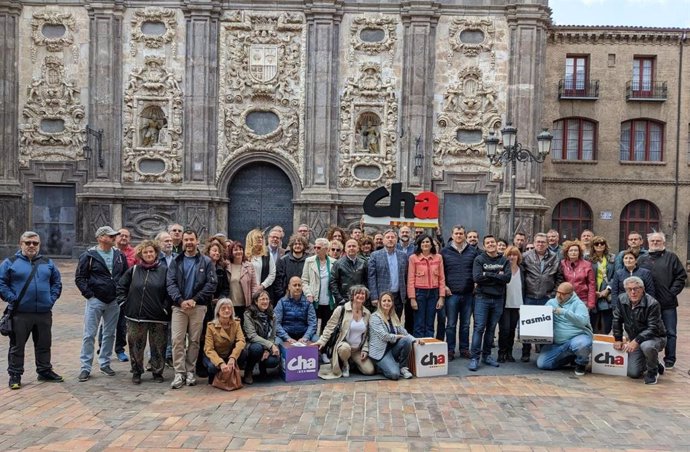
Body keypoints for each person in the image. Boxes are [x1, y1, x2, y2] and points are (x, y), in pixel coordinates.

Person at [0, 231, 63, 389]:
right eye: (28, 242)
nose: (31, 246)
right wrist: (12, 298)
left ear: (39, 245)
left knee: (44, 344)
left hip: (43, 312)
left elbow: (57, 281)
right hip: (20, 313)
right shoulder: (10, 262)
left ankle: (44, 370)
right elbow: (1, 283)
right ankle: (15, 375)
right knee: (17, 345)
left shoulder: (47, 262)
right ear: (21, 243)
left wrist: (51, 299)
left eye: (35, 243)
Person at [75, 226, 128, 382]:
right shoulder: (89, 255)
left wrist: (121, 295)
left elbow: (125, 276)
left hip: (114, 301)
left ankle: (105, 362)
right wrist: (90, 296)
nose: (114, 238)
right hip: (95, 300)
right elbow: (80, 278)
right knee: (89, 334)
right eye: (110, 236)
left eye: (114, 236)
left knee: (110, 333)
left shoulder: (119, 255)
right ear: (100, 237)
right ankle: (85, 367)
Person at [166, 229, 217, 389]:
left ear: (197, 241)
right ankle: (179, 373)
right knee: (177, 340)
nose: (189, 242)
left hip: (198, 306)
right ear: (182, 241)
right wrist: (180, 301)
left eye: (191, 239)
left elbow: (211, 283)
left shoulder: (206, 261)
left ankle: (190, 371)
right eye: (186, 240)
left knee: (194, 341)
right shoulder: (176, 261)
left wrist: (195, 300)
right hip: (179, 307)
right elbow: (170, 283)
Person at [116, 240, 169, 384]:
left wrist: (165, 307)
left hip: (158, 316)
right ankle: (137, 371)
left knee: (158, 346)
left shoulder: (164, 270)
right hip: (135, 316)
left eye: (151, 251)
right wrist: (124, 303)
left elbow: (170, 291)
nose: (149, 254)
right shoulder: (134, 270)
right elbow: (121, 287)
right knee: (135, 346)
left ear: (156, 253)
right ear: (141, 254)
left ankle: (157, 371)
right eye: (145, 252)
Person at [637, 232, 687, 369]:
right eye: (652, 241)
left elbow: (681, 276)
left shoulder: (672, 258)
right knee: (647, 330)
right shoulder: (642, 259)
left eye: (658, 241)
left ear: (663, 242)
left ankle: (670, 359)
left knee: (670, 332)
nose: (655, 243)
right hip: (647, 304)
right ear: (648, 243)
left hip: (667, 303)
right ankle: (650, 359)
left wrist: (672, 293)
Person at [612, 276, 667, 385]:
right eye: (629, 289)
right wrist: (618, 339)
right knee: (633, 373)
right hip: (636, 339)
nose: (633, 292)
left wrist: (636, 340)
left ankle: (652, 371)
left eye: (636, 289)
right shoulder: (621, 299)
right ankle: (654, 361)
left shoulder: (652, 303)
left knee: (646, 346)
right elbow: (616, 319)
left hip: (655, 337)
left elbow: (653, 328)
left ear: (642, 289)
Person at [469, 235, 510, 371]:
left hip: (498, 299)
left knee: (491, 329)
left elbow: (507, 278)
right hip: (482, 298)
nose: (491, 244)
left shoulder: (504, 260)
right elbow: (477, 277)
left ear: (496, 243)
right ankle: (475, 358)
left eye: (493, 242)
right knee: (479, 327)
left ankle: (487, 356)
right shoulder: (479, 259)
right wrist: (497, 275)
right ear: (484, 246)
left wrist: (488, 274)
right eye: (488, 243)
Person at [315, 285, 375, 378]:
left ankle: (353, 362)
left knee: (369, 370)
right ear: (352, 296)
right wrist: (322, 341)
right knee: (344, 348)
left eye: (363, 294)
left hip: (357, 349)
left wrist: (365, 349)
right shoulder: (341, 309)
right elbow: (329, 327)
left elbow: (367, 335)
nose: (360, 296)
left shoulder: (367, 313)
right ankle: (345, 364)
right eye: (357, 293)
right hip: (343, 345)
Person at [520, 232, 561, 362]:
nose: (540, 244)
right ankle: (525, 352)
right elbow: (521, 276)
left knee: (544, 327)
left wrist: (553, 294)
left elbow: (559, 277)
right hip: (529, 296)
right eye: (538, 242)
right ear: (534, 242)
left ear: (547, 243)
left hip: (546, 296)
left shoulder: (554, 257)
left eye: (543, 242)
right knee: (527, 326)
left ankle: (544, 353)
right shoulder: (526, 256)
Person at [537, 282, 593, 376]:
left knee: (582, 344)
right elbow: (540, 318)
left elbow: (583, 321)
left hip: (576, 338)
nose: (559, 296)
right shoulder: (551, 303)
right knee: (542, 364)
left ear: (570, 294)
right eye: (558, 292)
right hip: (558, 344)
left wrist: (564, 312)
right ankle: (570, 357)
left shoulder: (578, 304)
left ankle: (581, 363)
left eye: (562, 294)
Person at [441, 225, 478, 361]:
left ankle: (464, 349)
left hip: (468, 293)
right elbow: (441, 272)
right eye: (456, 233)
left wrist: (476, 283)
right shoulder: (444, 252)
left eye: (461, 233)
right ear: (452, 234)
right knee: (450, 324)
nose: (459, 236)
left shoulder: (472, 252)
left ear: (464, 235)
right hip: (452, 294)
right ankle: (450, 350)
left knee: (465, 324)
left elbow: (476, 270)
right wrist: (444, 286)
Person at [368, 292, 415, 380]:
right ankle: (382, 367)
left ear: (392, 303)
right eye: (384, 300)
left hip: (392, 350)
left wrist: (415, 340)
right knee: (394, 375)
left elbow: (403, 332)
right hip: (380, 353)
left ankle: (403, 367)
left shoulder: (393, 316)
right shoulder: (375, 317)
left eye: (389, 301)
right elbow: (384, 336)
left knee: (407, 340)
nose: (386, 303)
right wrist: (398, 336)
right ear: (380, 303)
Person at [368, 229, 409, 328]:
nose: (390, 239)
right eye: (388, 237)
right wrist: (374, 296)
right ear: (383, 240)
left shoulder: (403, 256)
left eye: (393, 237)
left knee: (396, 324)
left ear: (396, 240)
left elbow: (406, 276)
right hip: (382, 297)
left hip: (398, 296)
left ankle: (395, 343)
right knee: (382, 324)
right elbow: (371, 277)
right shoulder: (375, 255)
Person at [407, 234, 445, 338]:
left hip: (434, 293)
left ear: (432, 244)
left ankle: (429, 348)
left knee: (430, 323)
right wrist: (412, 298)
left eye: (427, 242)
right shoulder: (413, 258)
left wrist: (441, 297)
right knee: (419, 323)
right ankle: (419, 349)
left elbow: (441, 278)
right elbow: (410, 279)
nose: (425, 244)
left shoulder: (438, 257)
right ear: (419, 245)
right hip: (419, 293)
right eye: (423, 242)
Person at [203, 298, 246, 386]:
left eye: (229, 308)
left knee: (244, 353)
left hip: (229, 354)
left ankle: (234, 374)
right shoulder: (211, 326)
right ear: (218, 311)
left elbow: (241, 341)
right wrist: (220, 363)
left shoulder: (236, 323)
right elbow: (209, 349)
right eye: (223, 308)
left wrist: (233, 357)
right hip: (216, 355)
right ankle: (215, 376)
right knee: (212, 367)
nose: (226, 310)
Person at [242, 290, 280, 384]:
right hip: (251, 344)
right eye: (262, 299)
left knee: (273, 360)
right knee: (257, 349)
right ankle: (249, 370)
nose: (265, 301)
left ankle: (262, 367)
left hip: (266, 344)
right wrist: (270, 346)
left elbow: (272, 336)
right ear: (256, 301)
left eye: (267, 299)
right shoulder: (248, 314)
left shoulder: (272, 315)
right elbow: (252, 336)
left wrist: (267, 349)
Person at [301, 238, 334, 341]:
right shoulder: (309, 261)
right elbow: (304, 281)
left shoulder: (334, 262)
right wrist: (308, 294)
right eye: (315, 247)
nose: (316, 249)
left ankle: (323, 350)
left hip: (329, 300)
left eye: (318, 247)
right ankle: (311, 349)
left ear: (326, 249)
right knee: (312, 326)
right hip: (314, 299)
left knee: (326, 327)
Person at [497, 246, 524, 363]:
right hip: (505, 304)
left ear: (518, 257)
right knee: (504, 329)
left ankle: (509, 352)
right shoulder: (502, 269)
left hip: (517, 304)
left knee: (512, 329)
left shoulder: (522, 270)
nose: (512, 257)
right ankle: (501, 353)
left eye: (514, 255)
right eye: (509, 255)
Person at [275, 276, 318, 344]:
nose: (297, 287)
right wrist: (287, 338)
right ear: (289, 287)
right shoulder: (281, 302)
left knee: (317, 340)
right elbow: (276, 323)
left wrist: (305, 337)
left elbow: (313, 324)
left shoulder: (308, 303)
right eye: (294, 285)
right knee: (276, 342)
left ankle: (320, 355)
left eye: (299, 285)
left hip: (304, 334)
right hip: (286, 335)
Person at [559, 240, 596, 315]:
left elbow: (591, 285)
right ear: (567, 252)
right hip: (566, 299)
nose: (573, 252)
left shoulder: (587, 265)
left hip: (582, 299)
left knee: (581, 323)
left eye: (576, 250)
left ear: (579, 252)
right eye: (571, 250)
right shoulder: (562, 264)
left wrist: (591, 303)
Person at [225, 240, 259, 322]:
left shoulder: (249, 266)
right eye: (235, 250)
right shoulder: (226, 265)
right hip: (229, 304)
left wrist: (254, 300)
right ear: (231, 252)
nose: (239, 252)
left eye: (240, 249)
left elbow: (254, 285)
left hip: (245, 304)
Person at [587, 236, 615, 334]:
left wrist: (608, 289)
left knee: (606, 325)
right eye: (596, 243)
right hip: (591, 293)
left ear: (605, 245)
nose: (599, 245)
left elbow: (616, 275)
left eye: (602, 243)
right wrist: (592, 291)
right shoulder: (587, 258)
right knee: (591, 324)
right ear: (593, 246)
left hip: (606, 295)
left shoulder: (612, 258)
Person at [330, 239, 368, 306]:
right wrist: (340, 299)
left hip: (360, 299)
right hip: (344, 301)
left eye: (353, 246)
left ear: (358, 248)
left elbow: (366, 281)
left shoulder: (363, 263)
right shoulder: (338, 264)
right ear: (345, 249)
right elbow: (333, 283)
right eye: (349, 246)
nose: (351, 248)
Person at [274, 234, 308, 303]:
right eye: (295, 244)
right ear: (292, 246)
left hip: (305, 298)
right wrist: (282, 296)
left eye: (300, 244)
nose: (297, 246)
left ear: (304, 246)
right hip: (286, 297)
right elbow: (278, 280)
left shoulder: (309, 261)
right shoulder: (283, 260)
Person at [245, 229, 276, 293]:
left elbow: (272, 274)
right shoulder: (245, 256)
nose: (260, 239)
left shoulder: (268, 255)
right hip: (247, 290)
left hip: (263, 290)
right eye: (257, 237)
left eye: (261, 237)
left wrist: (262, 286)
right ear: (251, 239)